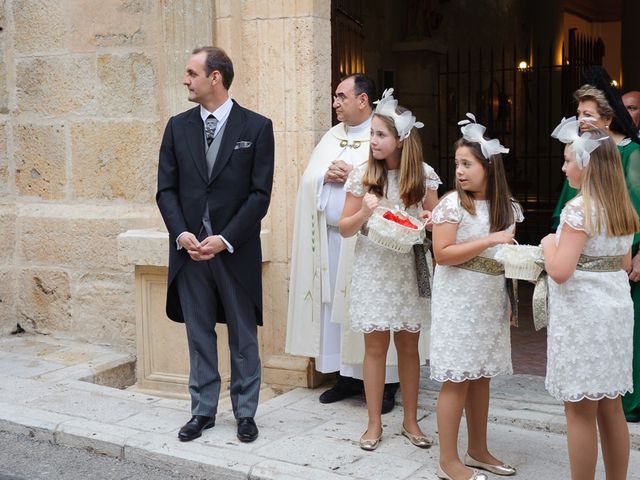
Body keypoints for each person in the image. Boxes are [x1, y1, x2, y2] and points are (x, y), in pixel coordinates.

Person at [156, 46, 274, 443]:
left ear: (215, 77)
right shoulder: (177, 126)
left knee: (243, 336)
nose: (186, 80)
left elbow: (259, 196)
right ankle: (203, 411)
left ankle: (245, 413)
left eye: (191, 73)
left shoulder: (257, 128)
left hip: (234, 251)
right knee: (199, 334)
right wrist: (181, 234)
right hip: (189, 253)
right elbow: (166, 191)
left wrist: (224, 239)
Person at [286, 74, 400, 412]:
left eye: (340, 96)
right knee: (336, 311)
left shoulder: (383, 133)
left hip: (368, 242)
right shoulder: (330, 137)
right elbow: (307, 179)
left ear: (362, 100)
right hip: (332, 241)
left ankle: (387, 384)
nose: (335, 103)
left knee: (373, 310)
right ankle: (345, 377)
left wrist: (353, 172)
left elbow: (394, 177)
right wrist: (323, 177)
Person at [338, 89, 440, 451]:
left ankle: (411, 421)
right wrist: (365, 210)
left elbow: (437, 221)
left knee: (409, 348)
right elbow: (345, 227)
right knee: (375, 348)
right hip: (373, 268)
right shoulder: (363, 175)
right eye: (373, 134)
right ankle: (373, 423)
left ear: (401, 140)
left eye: (381, 134)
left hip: (408, 269)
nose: (374, 140)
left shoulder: (424, 176)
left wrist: (429, 219)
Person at [542, 118, 638, 480]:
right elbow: (624, 262)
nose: (564, 166)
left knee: (580, 408)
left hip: (583, 317)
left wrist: (550, 243)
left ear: (586, 164)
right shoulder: (622, 209)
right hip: (614, 314)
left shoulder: (578, 210)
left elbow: (561, 269)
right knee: (610, 405)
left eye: (568, 160)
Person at [429, 113, 521, 480]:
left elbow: (506, 256)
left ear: (489, 167)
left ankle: (478, 449)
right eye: (457, 164)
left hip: (488, 302)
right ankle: (448, 461)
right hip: (458, 301)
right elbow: (443, 253)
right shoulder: (452, 205)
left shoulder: (507, 208)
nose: (460, 172)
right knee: (458, 379)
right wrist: (489, 240)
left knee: (481, 377)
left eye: (467, 164)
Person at [550, 70, 640, 423]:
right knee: (607, 402)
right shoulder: (582, 160)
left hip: (600, 270)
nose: (582, 120)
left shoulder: (620, 155)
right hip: (599, 263)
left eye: (588, 114)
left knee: (586, 407)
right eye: (579, 114)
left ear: (607, 117)